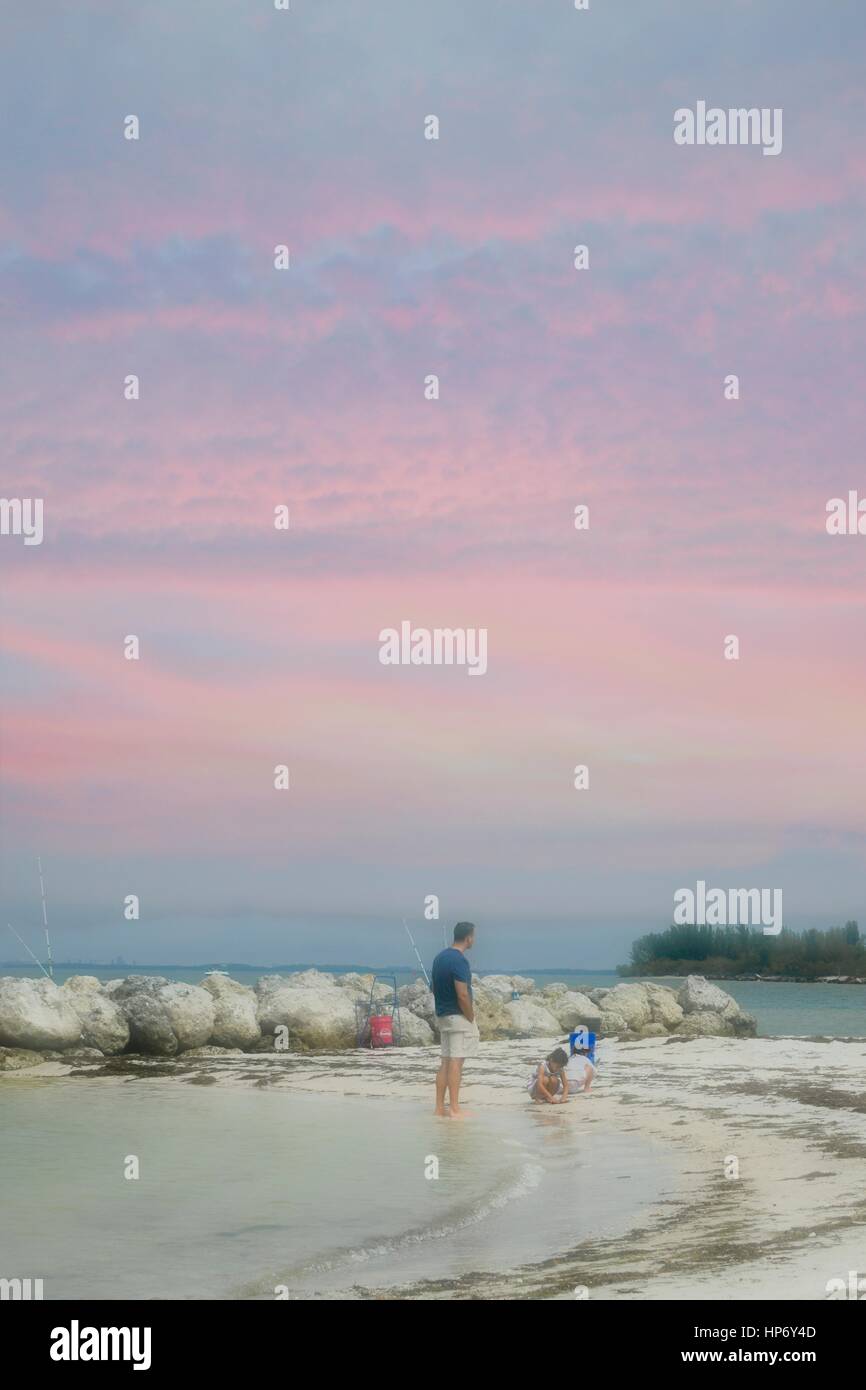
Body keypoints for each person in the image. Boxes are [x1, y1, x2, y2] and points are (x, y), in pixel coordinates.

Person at [432, 922, 478, 1119]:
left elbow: (433, 987)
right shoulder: (459, 961)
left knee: (445, 1061)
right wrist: (470, 1016)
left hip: (442, 1015)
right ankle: (455, 1108)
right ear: (468, 938)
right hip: (458, 1016)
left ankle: (439, 1108)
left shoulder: (439, 958)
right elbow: (462, 995)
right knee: (456, 1063)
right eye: (473, 936)